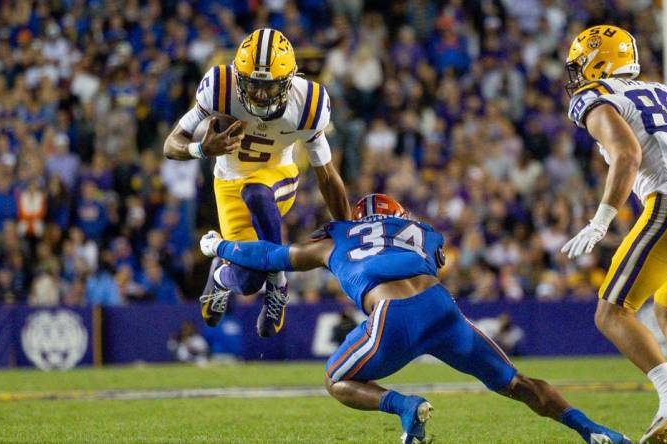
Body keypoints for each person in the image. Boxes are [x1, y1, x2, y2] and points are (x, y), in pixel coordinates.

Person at [200, 193, 630, 444]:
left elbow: (271, 255)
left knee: (336, 380)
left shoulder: (337, 236)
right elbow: (432, 255)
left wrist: (219, 247)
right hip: (441, 308)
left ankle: (406, 407)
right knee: (516, 383)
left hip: (392, 316)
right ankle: (594, 431)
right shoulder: (425, 233)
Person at [561, 25, 667, 443]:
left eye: (581, 63)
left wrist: (601, 219)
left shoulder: (594, 97)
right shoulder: (661, 89)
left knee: (611, 312)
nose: (577, 74)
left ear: (598, 59)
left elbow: (627, 154)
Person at [163, 28, 351, 337]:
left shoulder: (309, 102)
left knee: (257, 193)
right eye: (253, 85)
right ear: (238, 77)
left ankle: (278, 282)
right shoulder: (219, 86)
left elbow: (327, 175)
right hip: (227, 183)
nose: (261, 95)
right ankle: (224, 276)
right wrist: (200, 149)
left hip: (278, 176)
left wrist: (346, 228)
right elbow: (171, 144)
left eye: (269, 86)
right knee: (249, 282)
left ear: (290, 81)